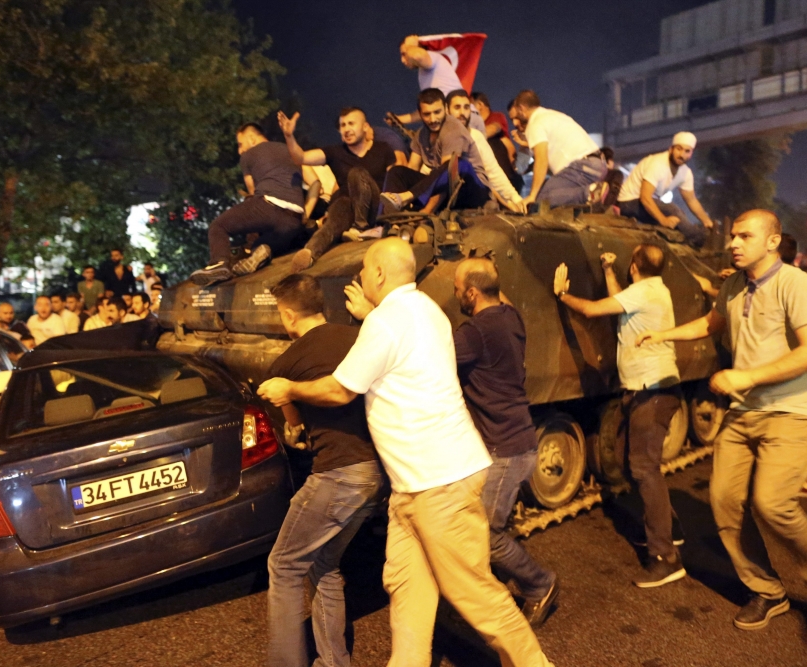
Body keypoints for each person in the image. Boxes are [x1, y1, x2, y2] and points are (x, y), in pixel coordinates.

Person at [257, 238, 553, 667]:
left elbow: (339, 389)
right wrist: (371, 316)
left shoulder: (389, 322)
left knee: (476, 594)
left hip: (440, 483)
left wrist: (289, 388)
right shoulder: (424, 311)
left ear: (378, 274)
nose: (359, 279)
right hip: (413, 486)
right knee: (407, 588)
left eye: (363, 271)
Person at [637, 209, 807, 643]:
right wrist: (663, 336)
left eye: (745, 235)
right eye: (732, 235)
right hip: (746, 410)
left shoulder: (798, 284)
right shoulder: (735, 286)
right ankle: (767, 591)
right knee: (725, 500)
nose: (734, 242)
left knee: (772, 503)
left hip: (795, 410)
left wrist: (746, 376)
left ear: (772, 242)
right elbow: (711, 324)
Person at [263, 274, 384, 667]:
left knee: (283, 565)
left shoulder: (286, 363)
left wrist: (288, 413)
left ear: (287, 314)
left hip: (338, 473)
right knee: (323, 563)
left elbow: (295, 423)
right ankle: (334, 661)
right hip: (374, 473)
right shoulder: (357, 338)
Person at [554, 245, 687, 587]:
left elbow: (595, 309)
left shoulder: (644, 291)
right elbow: (622, 302)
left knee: (644, 468)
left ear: (634, 268)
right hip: (645, 389)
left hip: (652, 391)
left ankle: (666, 557)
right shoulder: (653, 289)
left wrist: (563, 294)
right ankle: (670, 529)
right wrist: (608, 271)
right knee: (634, 465)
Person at [452, 257, 558, 622]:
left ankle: (539, 584)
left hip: (505, 449)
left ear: (470, 292)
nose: (455, 295)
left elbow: (432, 357)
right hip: (515, 440)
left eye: (456, 289)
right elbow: (502, 298)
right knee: (476, 527)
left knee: (486, 535)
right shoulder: (510, 317)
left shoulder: (475, 331)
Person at [277, 107, 397, 271]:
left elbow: (395, 179)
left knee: (357, 173)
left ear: (365, 126)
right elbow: (301, 157)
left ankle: (360, 228)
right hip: (349, 209)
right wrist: (289, 136)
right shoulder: (335, 152)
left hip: (376, 209)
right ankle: (309, 253)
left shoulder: (383, 149)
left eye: (351, 124)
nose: (346, 129)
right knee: (336, 215)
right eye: (343, 125)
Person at [191, 123, 305, 285]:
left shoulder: (249, 155)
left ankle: (218, 264)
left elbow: (252, 191)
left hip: (269, 206)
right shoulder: (289, 149)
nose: (240, 150)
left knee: (218, 226)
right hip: (295, 219)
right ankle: (260, 252)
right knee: (260, 246)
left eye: (240, 144)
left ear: (252, 138)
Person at [380, 88, 491, 215]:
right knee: (397, 172)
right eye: (427, 114)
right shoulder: (421, 134)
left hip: (471, 191)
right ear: (420, 114)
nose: (433, 119)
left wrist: (426, 211)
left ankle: (407, 197)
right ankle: (386, 222)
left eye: (437, 112)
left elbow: (449, 177)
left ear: (445, 108)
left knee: (457, 164)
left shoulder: (453, 129)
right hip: (443, 189)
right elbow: (412, 168)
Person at [509, 89, 606, 208]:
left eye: (516, 116)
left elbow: (541, 160)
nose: (514, 122)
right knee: (558, 196)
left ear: (521, 108)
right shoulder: (553, 115)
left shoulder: (535, 124)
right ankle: (598, 203)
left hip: (581, 168)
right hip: (597, 165)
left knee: (541, 201)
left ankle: (590, 193)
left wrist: (532, 196)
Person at [616, 133, 714, 248]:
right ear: (671, 148)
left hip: (647, 203)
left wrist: (707, 221)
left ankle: (692, 240)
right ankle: (699, 240)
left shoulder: (685, 173)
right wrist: (663, 220)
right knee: (671, 209)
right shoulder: (658, 164)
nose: (682, 155)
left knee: (679, 215)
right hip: (628, 202)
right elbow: (645, 198)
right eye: (679, 149)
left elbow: (691, 199)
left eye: (687, 151)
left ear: (691, 153)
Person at [446, 90, 526, 213]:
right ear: (447, 110)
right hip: (445, 197)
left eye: (466, 107)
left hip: (475, 197)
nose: (462, 113)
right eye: (457, 107)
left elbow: (493, 172)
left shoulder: (476, 136)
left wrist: (515, 198)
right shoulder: (440, 136)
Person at [395, 35, 487, 135]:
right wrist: (399, 119)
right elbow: (430, 108)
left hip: (464, 119)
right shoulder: (423, 72)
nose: (403, 60)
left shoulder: (433, 58)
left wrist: (409, 45)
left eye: (405, 54)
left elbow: (417, 56)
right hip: (459, 120)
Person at [471, 91, 522, 192]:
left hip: (506, 174)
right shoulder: (474, 126)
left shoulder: (497, 117)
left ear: (480, 105)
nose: (468, 110)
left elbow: (494, 128)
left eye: (469, 105)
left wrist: (470, 138)